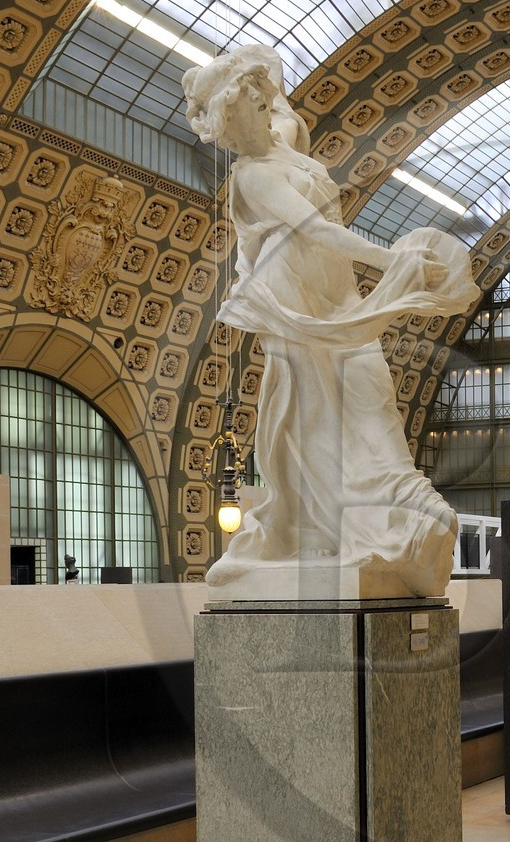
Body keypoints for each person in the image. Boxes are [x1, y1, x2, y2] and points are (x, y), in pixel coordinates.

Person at [182, 46, 480, 599]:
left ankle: (395, 509)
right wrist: (395, 261)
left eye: (255, 101)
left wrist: (255, 76)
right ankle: (328, 529)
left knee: (371, 390)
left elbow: (276, 81)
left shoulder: (285, 136)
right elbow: (319, 231)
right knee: (312, 412)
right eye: (241, 109)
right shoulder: (251, 180)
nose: (254, 112)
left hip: (336, 298)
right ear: (227, 121)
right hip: (296, 309)